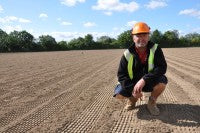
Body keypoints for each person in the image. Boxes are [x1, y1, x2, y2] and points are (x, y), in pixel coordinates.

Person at [114, 22, 168, 116]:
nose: (142, 38)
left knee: (162, 81)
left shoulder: (155, 49)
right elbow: (121, 75)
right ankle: (132, 99)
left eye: (144, 35)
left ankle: (151, 102)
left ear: (148, 36)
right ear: (133, 37)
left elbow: (162, 68)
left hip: (149, 81)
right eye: (138, 36)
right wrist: (132, 90)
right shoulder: (127, 53)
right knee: (119, 94)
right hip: (132, 82)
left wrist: (144, 79)